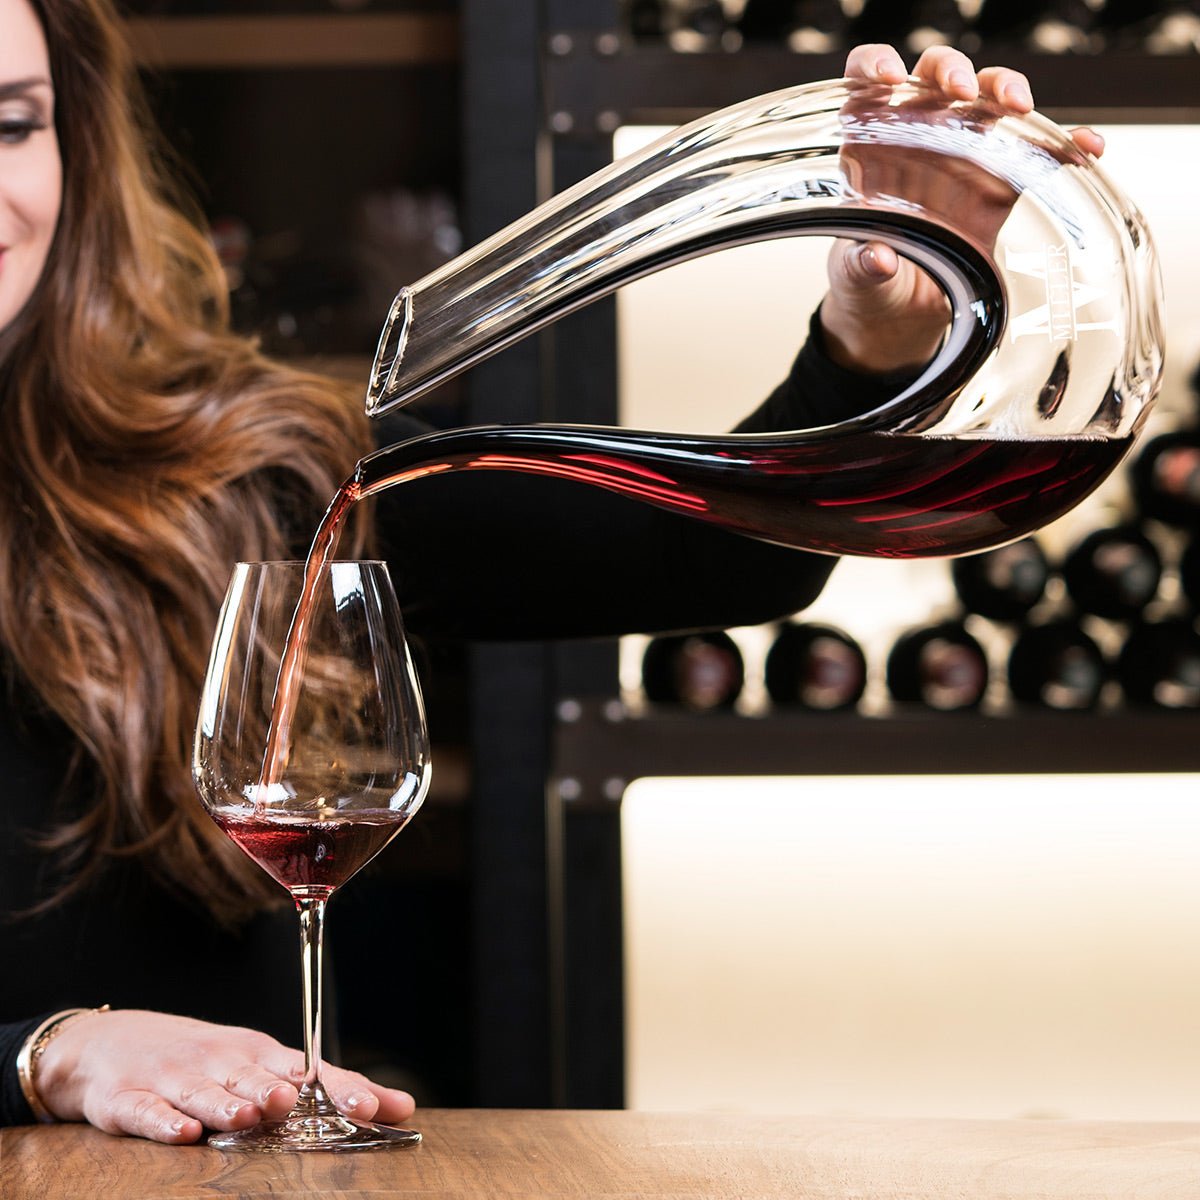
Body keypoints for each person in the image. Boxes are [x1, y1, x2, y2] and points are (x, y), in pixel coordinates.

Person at [0, 0, 1101, 1144]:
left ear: (76, 148)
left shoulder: (229, 478)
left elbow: (716, 556)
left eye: (12, 123)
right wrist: (41, 1054)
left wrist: (872, 340)